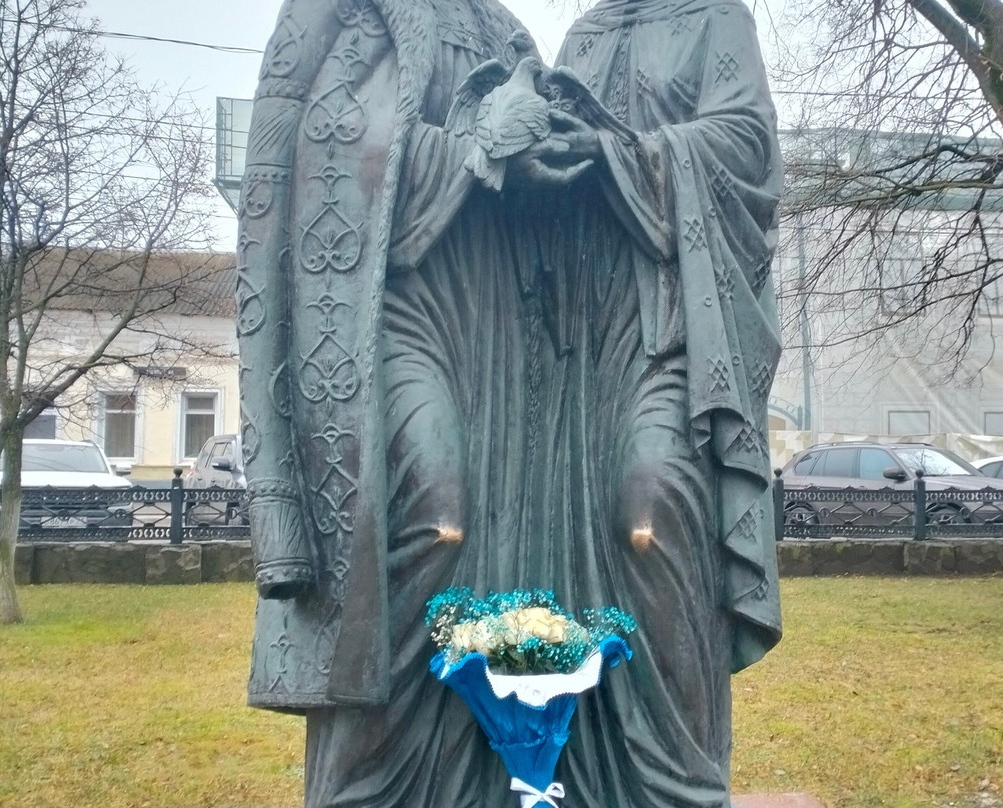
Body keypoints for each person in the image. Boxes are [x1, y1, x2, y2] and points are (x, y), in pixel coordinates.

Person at [238, 0, 782, 805]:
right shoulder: (369, 8)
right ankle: (373, 782)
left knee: (648, 510)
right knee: (435, 509)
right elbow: (325, 148)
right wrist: (482, 148)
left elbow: (746, 153)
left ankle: (660, 780)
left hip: (608, 335)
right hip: (413, 315)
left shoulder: (549, 31)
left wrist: (597, 154)